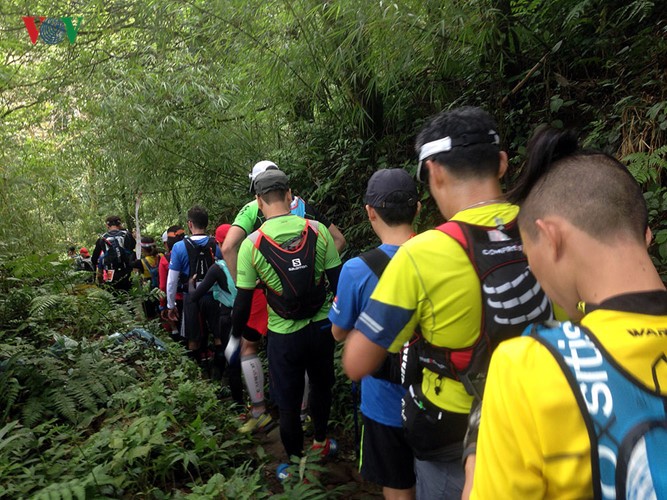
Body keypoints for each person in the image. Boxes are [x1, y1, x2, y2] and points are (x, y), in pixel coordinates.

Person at [341, 106, 552, 499]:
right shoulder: (547, 227)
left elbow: (357, 362)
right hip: (545, 415)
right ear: (502, 163)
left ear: (435, 172)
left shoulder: (422, 254)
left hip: (453, 434)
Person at [470, 128, 667, 498]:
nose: (539, 278)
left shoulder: (526, 365)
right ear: (646, 234)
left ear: (551, 236)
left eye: (531, 258)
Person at [228, 168, 342, 473]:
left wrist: (235, 337)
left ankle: (294, 466)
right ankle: (320, 441)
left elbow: (242, 302)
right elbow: (338, 283)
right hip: (321, 329)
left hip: (283, 335)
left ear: (259, 201)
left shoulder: (251, 244)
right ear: (290, 195)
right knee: (321, 387)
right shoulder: (318, 231)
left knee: (288, 403)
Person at [330, 168, 420, 499]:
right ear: (419, 209)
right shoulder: (446, 255)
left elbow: (339, 332)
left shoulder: (357, 269)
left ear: (370, 212)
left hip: (385, 402)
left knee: (398, 488)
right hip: (441, 399)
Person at [185, 224, 244, 405]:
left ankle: (239, 404)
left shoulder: (217, 268)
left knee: (233, 360)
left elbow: (195, 296)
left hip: (229, 317)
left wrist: (191, 283)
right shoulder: (247, 258)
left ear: (218, 243)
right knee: (250, 354)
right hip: (249, 313)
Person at [166, 206, 220, 357]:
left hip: (191, 297)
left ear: (190, 224)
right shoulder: (215, 243)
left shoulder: (178, 247)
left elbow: (171, 281)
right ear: (206, 223)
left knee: (193, 337)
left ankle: (199, 375)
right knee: (218, 335)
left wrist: (171, 305)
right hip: (214, 295)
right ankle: (221, 368)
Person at [91, 215, 137, 293]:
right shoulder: (127, 234)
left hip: (110, 272)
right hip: (126, 270)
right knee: (129, 296)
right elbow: (132, 249)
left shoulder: (102, 238)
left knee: (114, 297)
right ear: (119, 224)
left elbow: (94, 259)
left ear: (107, 225)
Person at [159, 225, 185, 342]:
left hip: (176, 299)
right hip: (194, 294)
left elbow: (164, 286)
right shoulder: (190, 251)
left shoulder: (165, 259)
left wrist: (163, 305)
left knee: (182, 329)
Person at [131, 236, 164, 320]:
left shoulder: (140, 262)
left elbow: (132, 269)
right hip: (162, 286)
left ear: (142, 249)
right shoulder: (161, 256)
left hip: (148, 289)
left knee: (150, 314)